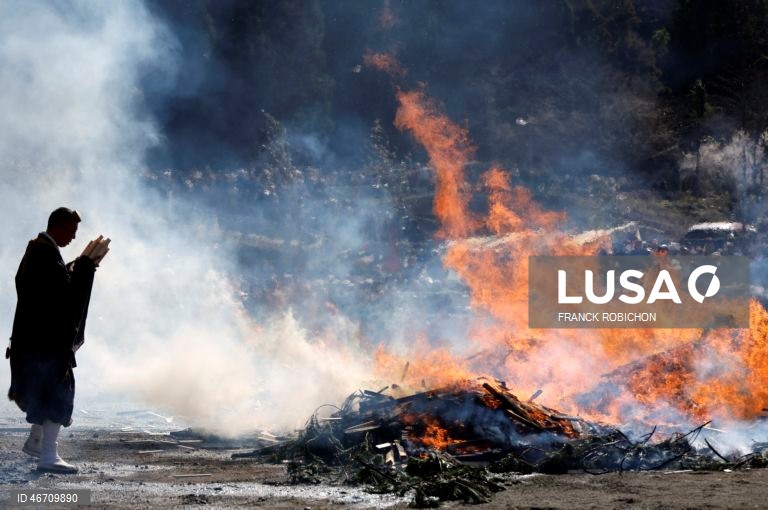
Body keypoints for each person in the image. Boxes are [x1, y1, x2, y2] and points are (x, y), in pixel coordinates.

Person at [6, 207, 107, 473]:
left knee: (44, 391)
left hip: (36, 342)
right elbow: (61, 296)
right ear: (59, 227)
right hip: (44, 344)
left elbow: (57, 284)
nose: (73, 238)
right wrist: (84, 269)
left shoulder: (41, 251)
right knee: (58, 394)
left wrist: (78, 265)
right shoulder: (42, 254)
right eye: (71, 232)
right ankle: (48, 456)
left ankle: (36, 442)